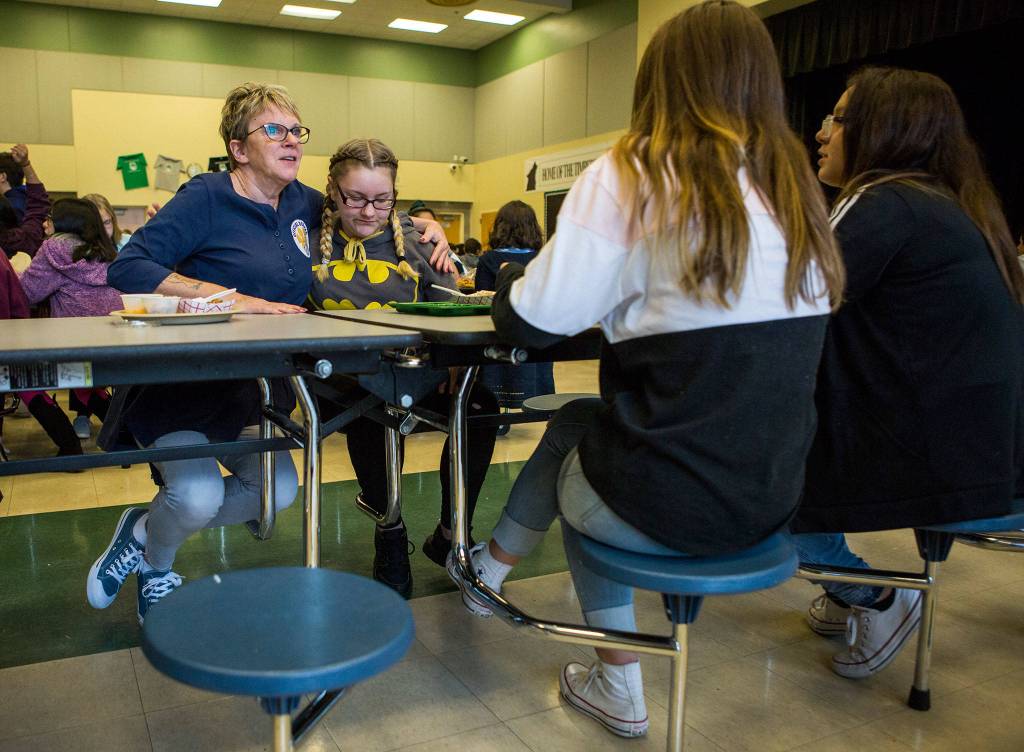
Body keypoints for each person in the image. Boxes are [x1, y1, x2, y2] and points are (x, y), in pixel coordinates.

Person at [448, 0, 844, 738]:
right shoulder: (797, 196)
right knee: (581, 422)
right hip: (773, 497)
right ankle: (487, 572)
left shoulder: (634, 172)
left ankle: (614, 680)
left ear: (660, 81)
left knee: (585, 479)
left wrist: (505, 279)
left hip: (669, 503)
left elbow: (532, 319)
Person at [790, 67, 1024, 679]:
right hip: (984, 452)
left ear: (882, 130)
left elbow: (792, 302)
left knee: (758, 482)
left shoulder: (881, 200)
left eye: (836, 119)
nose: (821, 133)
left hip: (939, 459)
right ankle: (844, 588)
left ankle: (874, 596)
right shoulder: (947, 202)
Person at [86, 82, 316, 626]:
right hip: (182, 386)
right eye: (274, 130)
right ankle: (157, 566)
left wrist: (420, 225)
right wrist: (234, 299)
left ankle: (142, 529)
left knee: (278, 492)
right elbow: (129, 267)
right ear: (238, 148)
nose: (291, 141)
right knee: (195, 495)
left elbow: (365, 212)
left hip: (252, 390)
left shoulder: (304, 202)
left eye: (296, 131)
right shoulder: (206, 196)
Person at [307, 138, 497, 597]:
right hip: (343, 381)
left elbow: (452, 305)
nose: (369, 212)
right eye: (355, 198)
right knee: (370, 415)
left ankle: (452, 531)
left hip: (415, 372)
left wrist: (457, 357)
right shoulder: (305, 242)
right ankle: (390, 530)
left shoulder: (419, 243)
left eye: (382, 199)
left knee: (480, 407)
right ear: (332, 190)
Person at [17, 199, 124, 456]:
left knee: (19, 375)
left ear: (64, 223)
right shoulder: (106, 249)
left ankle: (68, 444)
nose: (45, 224)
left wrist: (15, 274)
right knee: (84, 380)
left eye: (49, 219)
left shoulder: (53, 250)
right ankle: (124, 436)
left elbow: (26, 293)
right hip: (115, 344)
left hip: (74, 346)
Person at [475, 201, 555, 419]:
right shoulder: (542, 259)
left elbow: (481, 298)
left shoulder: (488, 260)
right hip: (535, 336)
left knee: (492, 375)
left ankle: (497, 415)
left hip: (497, 335)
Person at [0, 145, 49, 258]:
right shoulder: (27, 197)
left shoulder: (12, 206)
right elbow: (38, 206)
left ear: (2, 176)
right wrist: (25, 164)